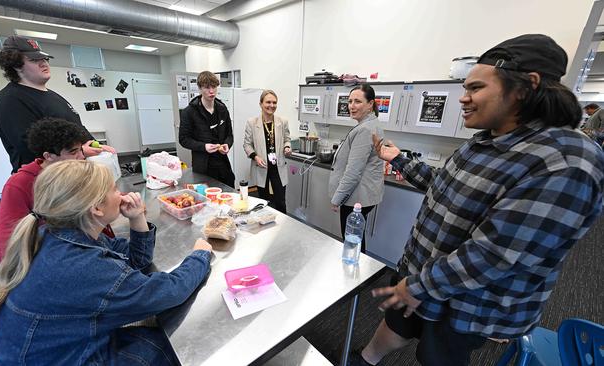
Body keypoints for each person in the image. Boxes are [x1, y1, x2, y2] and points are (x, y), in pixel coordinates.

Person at [349, 34, 604, 366]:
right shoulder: (485, 141)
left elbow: (496, 254)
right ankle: (365, 359)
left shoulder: (565, 162)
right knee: (397, 322)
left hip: (467, 303)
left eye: (475, 89)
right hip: (422, 277)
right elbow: (445, 188)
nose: (463, 99)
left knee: (437, 356)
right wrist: (398, 159)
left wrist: (419, 285)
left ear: (526, 87)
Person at [0, 160, 213, 365]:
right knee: (168, 343)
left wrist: (137, 218)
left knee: (147, 332)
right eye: (113, 189)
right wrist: (200, 255)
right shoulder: (82, 265)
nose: (120, 194)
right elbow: (168, 293)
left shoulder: (57, 235)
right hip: (55, 359)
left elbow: (135, 262)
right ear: (96, 208)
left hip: (46, 350)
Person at [0, 35, 115, 173]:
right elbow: (30, 148)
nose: (44, 63)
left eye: (44, 59)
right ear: (15, 65)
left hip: (71, 173)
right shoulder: (10, 100)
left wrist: (93, 143)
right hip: (45, 182)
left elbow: (76, 127)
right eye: (34, 60)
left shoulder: (52, 95)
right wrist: (80, 151)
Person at [0, 117, 89, 261]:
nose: (81, 157)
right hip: (46, 254)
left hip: (74, 245)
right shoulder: (19, 184)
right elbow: (5, 240)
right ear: (48, 156)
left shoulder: (74, 173)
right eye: (73, 152)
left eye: (81, 150)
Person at [328, 84, 384, 252]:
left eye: (358, 101)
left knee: (352, 240)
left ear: (370, 104)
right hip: (361, 195)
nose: (352, 106)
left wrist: (337, 198)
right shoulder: (369, 124)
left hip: (356, 197)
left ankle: (354, 273)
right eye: (350, 101)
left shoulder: (366, 129)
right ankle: (356, 272)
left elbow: (354, 171)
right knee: (356, 237)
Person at [179, 71, 235, 187]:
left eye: (214, 87)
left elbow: (229, 135)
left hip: (223, 164)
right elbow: (183, 139)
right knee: (206, 200)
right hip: (203, 166)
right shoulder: (189, 112)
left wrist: (227, 145)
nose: (211, 91)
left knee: (229, 195)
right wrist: (203, 147)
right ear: (199, 88)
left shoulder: (222, 109)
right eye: (207, 87)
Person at [243, 90, 292, 213]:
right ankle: (266, 225)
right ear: (261, 104)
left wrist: (287, 147)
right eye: (268, 102)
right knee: (264, 201)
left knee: (280, 201)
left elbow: (287, 139)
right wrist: (255, 157)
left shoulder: (283, 122)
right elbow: (247, 145)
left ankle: (282, 228)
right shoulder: (252, 123)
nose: (271, 105)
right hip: (262, 166)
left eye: (274, 102)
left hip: (278, 167)